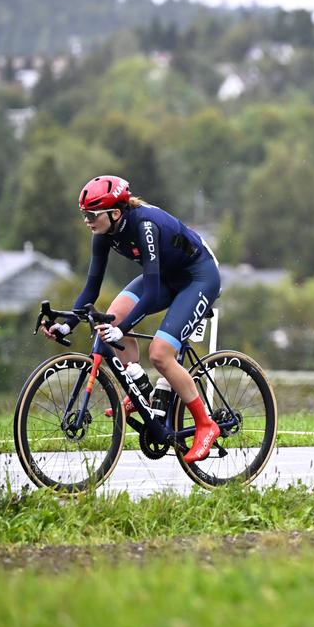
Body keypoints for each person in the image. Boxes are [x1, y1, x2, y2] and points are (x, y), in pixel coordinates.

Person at [41, 175, 222, 463]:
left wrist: (121, 330)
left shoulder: (145, 225)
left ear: (114, 213)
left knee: (161, 354)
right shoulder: (102, 233)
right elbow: (91, 288)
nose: (86, 220)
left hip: (198, 277)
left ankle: (205, 424)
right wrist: (66, 324)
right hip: (167, 276)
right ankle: (141, 392)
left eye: (91, 214)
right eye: (83, 213)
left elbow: (150, 294)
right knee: (113, 315)